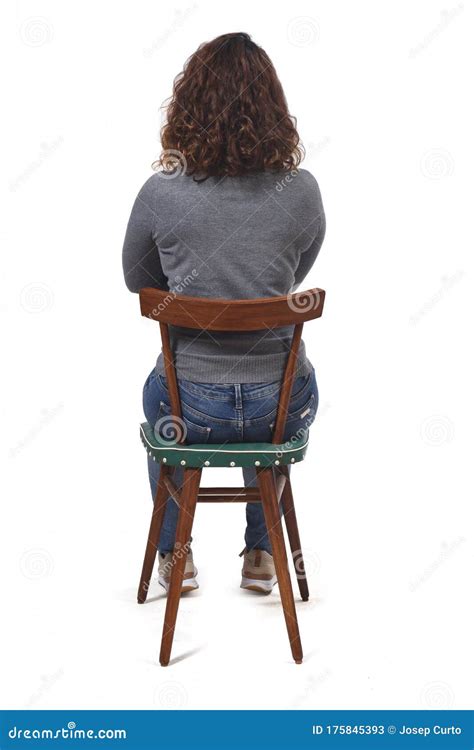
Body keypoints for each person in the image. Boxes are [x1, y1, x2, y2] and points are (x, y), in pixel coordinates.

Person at [122, 32, 325, 595]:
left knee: (157, 396)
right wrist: (252, 296)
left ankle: (175, 555)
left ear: (188, 104)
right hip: (277, 409)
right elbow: (294, 273)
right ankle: (262, 552)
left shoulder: (160, 191)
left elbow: (138, 283)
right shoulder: (301, 191)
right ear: (273, 110)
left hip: (188, 408)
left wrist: (195, 291)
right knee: (281, 390)